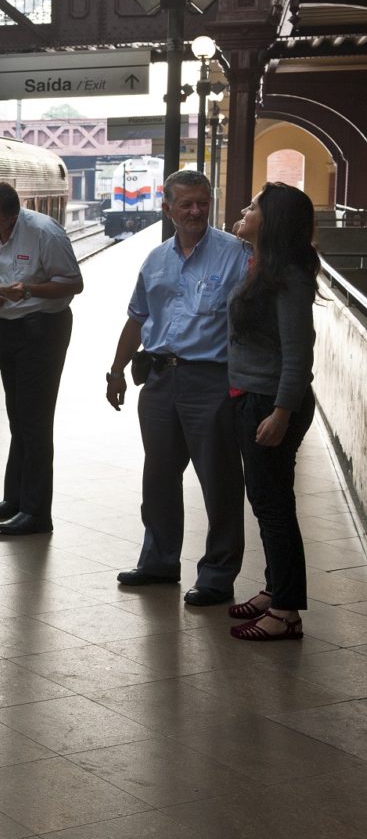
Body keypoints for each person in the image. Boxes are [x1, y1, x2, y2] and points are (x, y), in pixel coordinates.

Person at [104, 170, 250, 606]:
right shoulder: (155, 260)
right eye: (185, 204)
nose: (195, 211)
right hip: (160, 379)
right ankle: (160, 562)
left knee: (219, 480)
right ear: (167, 208)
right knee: (159, 477)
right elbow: (137, 317)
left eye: (202, 202)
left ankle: (218, 575)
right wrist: (115, 370)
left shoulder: (236, 254)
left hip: (212, 380)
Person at [227, 183, 319, 641]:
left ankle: (285, 612)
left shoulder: (289, 279)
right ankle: (275, 590)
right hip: (255, 396)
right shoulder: (265, 268)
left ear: (274, 221)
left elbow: (299, 355)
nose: (244, 210)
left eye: (254, 206)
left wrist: (281, 413)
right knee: (267, 503)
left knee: (274, 507)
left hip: (271, 402)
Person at [0, 182, 84, 536]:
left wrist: (29, 289)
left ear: (14, 216)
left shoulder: (44, 233)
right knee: (17, 415)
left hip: (43, 328)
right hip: (6, 327)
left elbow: (73, 283)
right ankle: (16, 498)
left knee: (35, 420)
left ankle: (37, 513)